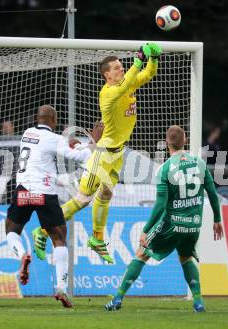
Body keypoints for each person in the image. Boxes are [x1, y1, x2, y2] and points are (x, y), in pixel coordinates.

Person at [32, 43, 162, 264]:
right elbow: (127, 83)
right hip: (103, 155)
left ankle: (97, 239)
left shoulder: (126, 85)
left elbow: (148, 74)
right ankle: (42, 231)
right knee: (82, 199)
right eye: (117, 68)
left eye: (122, 66)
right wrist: (138, 60)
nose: (121, 69)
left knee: (105, 195)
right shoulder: (109, 93)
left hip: (117, 154)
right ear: (107, 75)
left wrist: (153, 59)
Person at [105, 125, 223, 312]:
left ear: (167, 143)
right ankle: (198, 302)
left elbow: (160, 205)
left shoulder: (165, 168)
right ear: (185, 140)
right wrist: (217, 219)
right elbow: (213, 194)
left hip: (172, 224)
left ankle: (117, 299)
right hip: (193, 226)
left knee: (142, 253)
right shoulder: (200, 164)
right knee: (185, 257)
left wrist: (146, 229)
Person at [5, 105, 96, 308]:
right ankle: (61, 288)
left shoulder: (27, 134)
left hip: (24, 192)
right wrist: (91, 144)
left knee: (11, 231)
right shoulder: (55, 139)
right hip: (45, 193)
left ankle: (22, 255)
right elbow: (81, 157)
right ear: (54, 120)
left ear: (38, 119)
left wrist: (71, 144)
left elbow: (52, 148)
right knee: (59, 240)